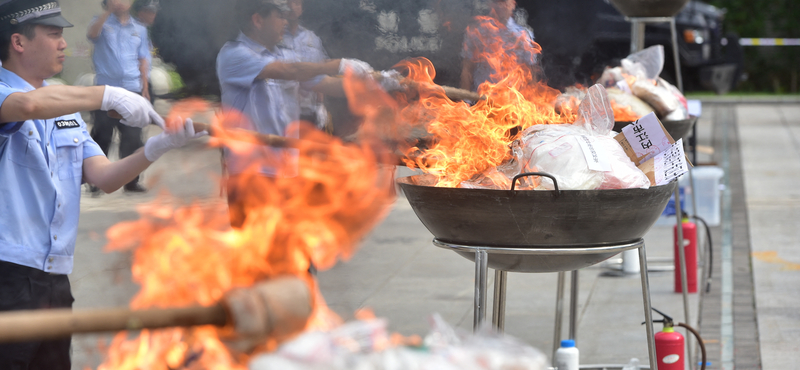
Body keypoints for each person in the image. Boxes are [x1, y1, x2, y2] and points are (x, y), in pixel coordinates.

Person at [0, 1, 205, 368]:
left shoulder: (65, 109)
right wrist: (109, 94)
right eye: (53, 34)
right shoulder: (7, 95)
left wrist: (156, 147)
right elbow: (28, 107)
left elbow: (105, 178)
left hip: (54, 278)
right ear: (18, 42)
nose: (63, 43)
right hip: (8, 274)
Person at [216, 0, 376, 227]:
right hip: (251, 173)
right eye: (279, 16)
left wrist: (375, 83)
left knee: (294, 247)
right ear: (258, 19)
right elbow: (291, 71)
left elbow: (327, 84)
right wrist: (340, 64)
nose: (286, 21)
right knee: (255, 250)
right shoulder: (234, 54)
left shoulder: (279, 54)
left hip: (286, 168)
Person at [87, 0, 152, 193]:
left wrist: (145, 88)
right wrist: (107, 11)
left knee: (132, 136)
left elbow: (143, 59)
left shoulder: (139, 28)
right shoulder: (100, 22)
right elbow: (92, 35)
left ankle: (131, 182)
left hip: (132, 87)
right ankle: (95, 181)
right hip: (105, 89)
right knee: (102, 134)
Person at [460, 0, 538, 92]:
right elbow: (467, 69)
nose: (500, 6)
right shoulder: (476, 32)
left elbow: (531, 74)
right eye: (496, 1)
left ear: (513, 4)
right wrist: (466, 101)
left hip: (512, 102)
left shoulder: (523, 36)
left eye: (504, 1)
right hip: (480, 101)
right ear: (489, 4)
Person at [280, 0, 330, 130]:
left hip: (308, 111)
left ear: (302, 9)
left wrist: (320, 105)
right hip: (281, 113)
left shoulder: (312, 39)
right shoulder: (274, 37)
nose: (292, 7)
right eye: (288, 3)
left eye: (297, 3)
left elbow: (319, 72)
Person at [131, 0, 158, 103]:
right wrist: (144, 87)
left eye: (154, 12)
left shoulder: (144, 30)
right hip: (137, 83)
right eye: (150, 12)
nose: (154, 15)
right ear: (140, 12)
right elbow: (139, 60)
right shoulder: (134, 31)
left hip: (144, 81)